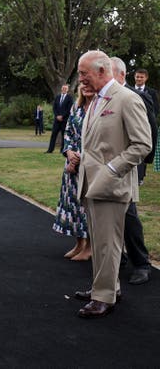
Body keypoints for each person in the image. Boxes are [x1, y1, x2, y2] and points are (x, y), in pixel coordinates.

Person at [74, 50, 151, 319]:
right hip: (92, 184)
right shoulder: (96, 99)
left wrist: (110, 169)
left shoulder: (127, 99)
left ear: (101, 72)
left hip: (111, 184)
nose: (80, 78)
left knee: (108, 245)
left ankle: (103, 297)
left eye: (84, 73)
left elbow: (143, 144)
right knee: (99, 242)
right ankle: (105, 288)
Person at [111, 57, 156, 285]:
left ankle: (141, 263)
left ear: (120, 74)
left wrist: (143, 165)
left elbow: (150, 129)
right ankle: (117, 259)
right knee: (109, 216)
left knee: (129, 215)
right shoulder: (105, 97)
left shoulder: (134, 96)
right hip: (107, 168)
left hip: (130, 166)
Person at [52, 83, 94, 261]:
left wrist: (79, 159)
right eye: (83, 87)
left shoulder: (98, 108)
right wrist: (68, 153)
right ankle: (79, 244)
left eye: (90, 86)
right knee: (73, 205)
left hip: (89, 164)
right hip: (71, 165)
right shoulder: (76, 108)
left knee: (88, 207)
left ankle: (90, 247)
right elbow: (68, 131)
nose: (87, 89)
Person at [133, 68, 159, 185]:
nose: (139, 79)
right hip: (132, 124)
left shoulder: (151, 92)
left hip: (145, 125)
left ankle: (141, 176)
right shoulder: (129, 90)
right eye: (137, 76)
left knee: (143, 149)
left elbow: (155, 109)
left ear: (146, 78)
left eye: (141, 77)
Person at [46, 84, 74, 153]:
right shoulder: (57, 97)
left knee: (63, 135)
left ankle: (62, 150)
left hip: (64, 120)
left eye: (66, 88)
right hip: (57, 120)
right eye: (63, 88)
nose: (64, 89)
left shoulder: (69, 98)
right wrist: (57, 116)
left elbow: (69, 109)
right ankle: (50, 150)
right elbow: (54, 107)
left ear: (67, 90)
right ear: (61, 89)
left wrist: (62, 116)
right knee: (53, 135)